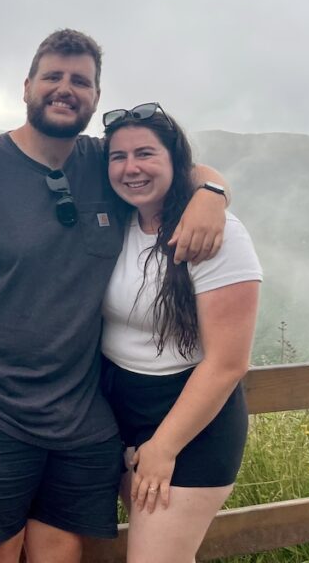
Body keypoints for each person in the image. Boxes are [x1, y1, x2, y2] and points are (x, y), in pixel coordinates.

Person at [0, 30, 231, 563]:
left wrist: (213, 193)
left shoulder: (104, 164)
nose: (65, 88)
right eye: (53, 76)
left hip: (78, 413)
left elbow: (175, 167)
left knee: (60, 547)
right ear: (27, 86)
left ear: (95, 97)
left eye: (81, 80)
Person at [100, 103, 261, 563]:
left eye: (146, 154)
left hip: (190, 422)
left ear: (176, 163)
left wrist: (164, 446)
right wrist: (213, 187)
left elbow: (229, 362)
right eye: (119, 156)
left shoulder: (215, 233)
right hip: (121, 410)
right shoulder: (119, 218)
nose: (131, 168)